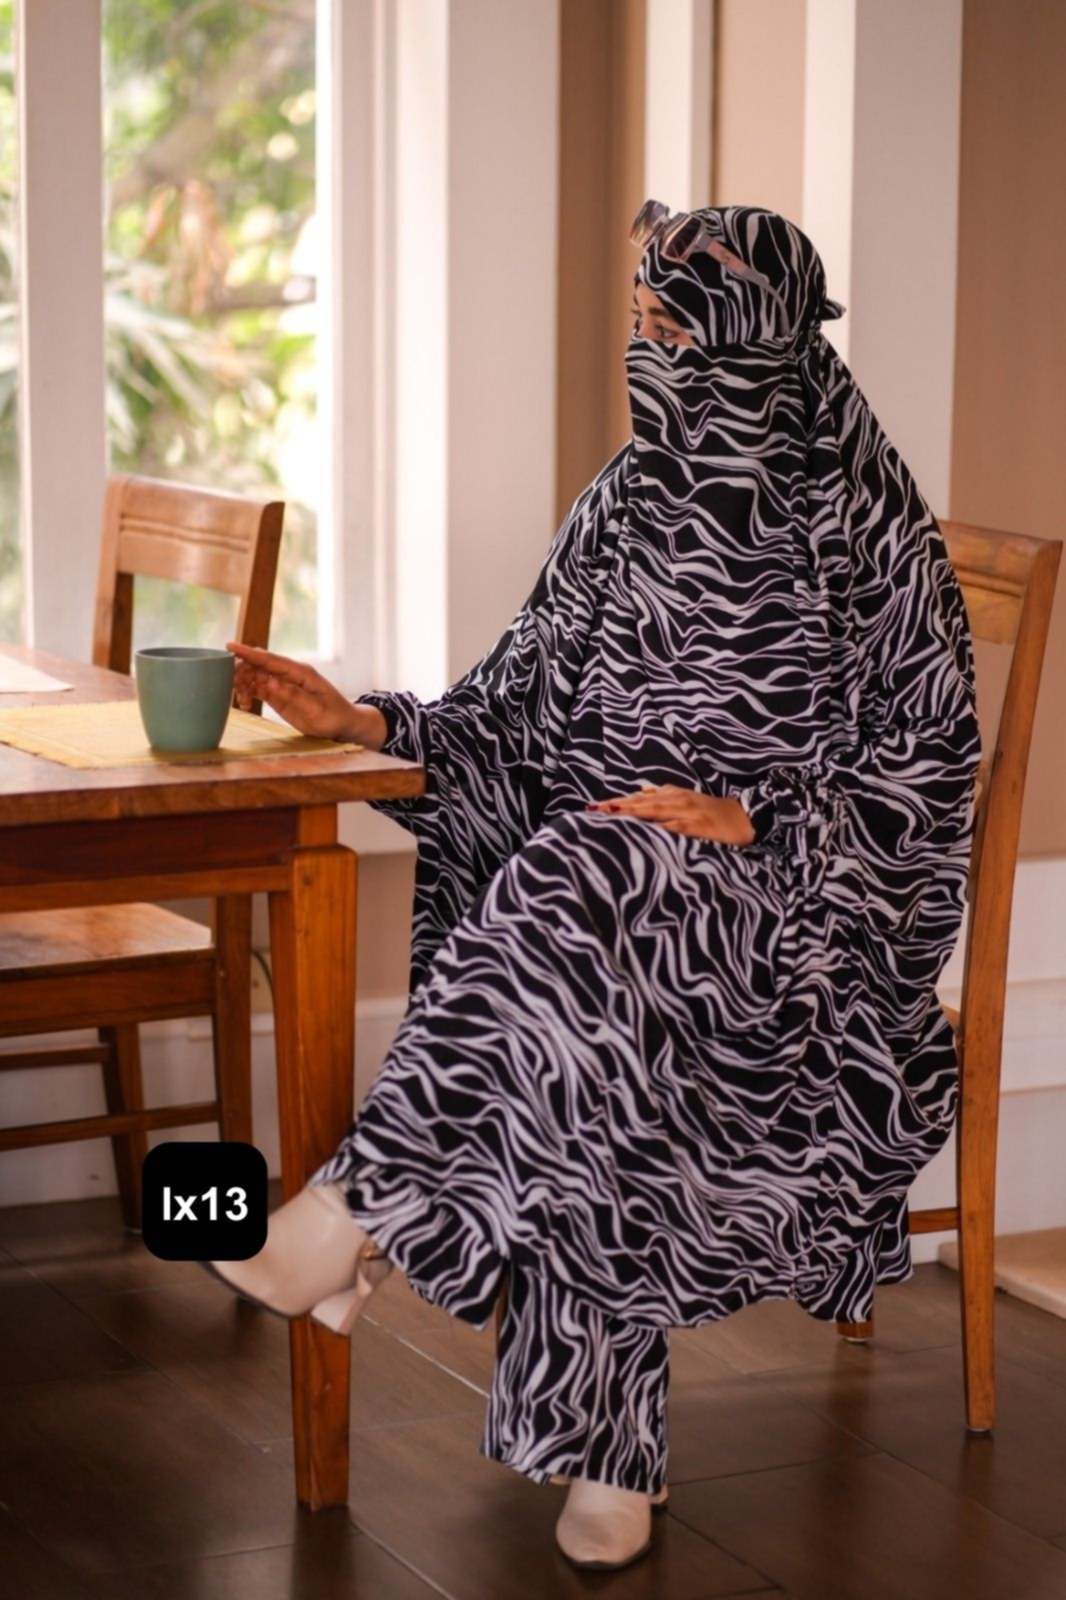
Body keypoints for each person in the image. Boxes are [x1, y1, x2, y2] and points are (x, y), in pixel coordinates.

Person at [206, 202, 981, 1572]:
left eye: (677, 332)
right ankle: (605, 1451)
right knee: (591, 938)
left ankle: (356, 1222)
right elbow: (513, 709)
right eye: (641, 327)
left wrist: (754, 817)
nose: (650, 358)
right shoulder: (622, 507)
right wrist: (366, 722)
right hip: (602, 905)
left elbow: (929, 770)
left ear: (760, 345)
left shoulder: (869, 530)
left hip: (795, 923)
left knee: (586, 893)